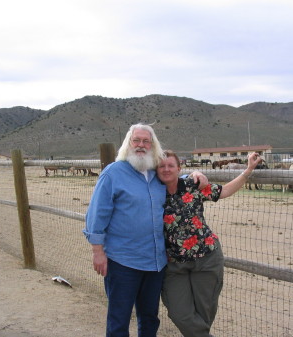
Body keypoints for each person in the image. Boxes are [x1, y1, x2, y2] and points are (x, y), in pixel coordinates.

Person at [83, 123, 207, 337]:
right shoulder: (113, 173)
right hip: (122, 261)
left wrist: (195, 174)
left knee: (149, 318)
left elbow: (175, 179)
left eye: (146, 141)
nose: (141, 145)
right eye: (136, 140)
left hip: (155, 263)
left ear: (153, 145)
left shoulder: (156, 172)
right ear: (128, 144)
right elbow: (97, 213)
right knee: (119, 318)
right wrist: (97, 251)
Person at [157, 150, 262, 337]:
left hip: (207, 258)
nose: (166, 169)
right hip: (174, 264)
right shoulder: (151, 192)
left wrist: (248, 170)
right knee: (179, 313)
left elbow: (225, 191)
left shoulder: (192, 185)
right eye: (161, 166)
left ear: (179, 168)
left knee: (204, 315)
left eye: (170, 165)